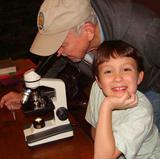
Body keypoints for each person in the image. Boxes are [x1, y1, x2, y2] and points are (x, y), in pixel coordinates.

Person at [0, 0, 160, 130]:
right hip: (111, 95)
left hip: (150, 90)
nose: (58, 52)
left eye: (62, 45)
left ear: (88, 31)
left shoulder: (146, 31)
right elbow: (56, 59)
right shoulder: (73, 36)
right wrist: (29, 93)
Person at [85, 40, 160, 159]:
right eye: (108, 71)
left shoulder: (142, 111)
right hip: (114, 157)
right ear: (98, 81)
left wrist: (107, 106)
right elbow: (95, 128)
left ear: (139, 77)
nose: (118, 78)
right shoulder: (97, 89)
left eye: (126, 69)